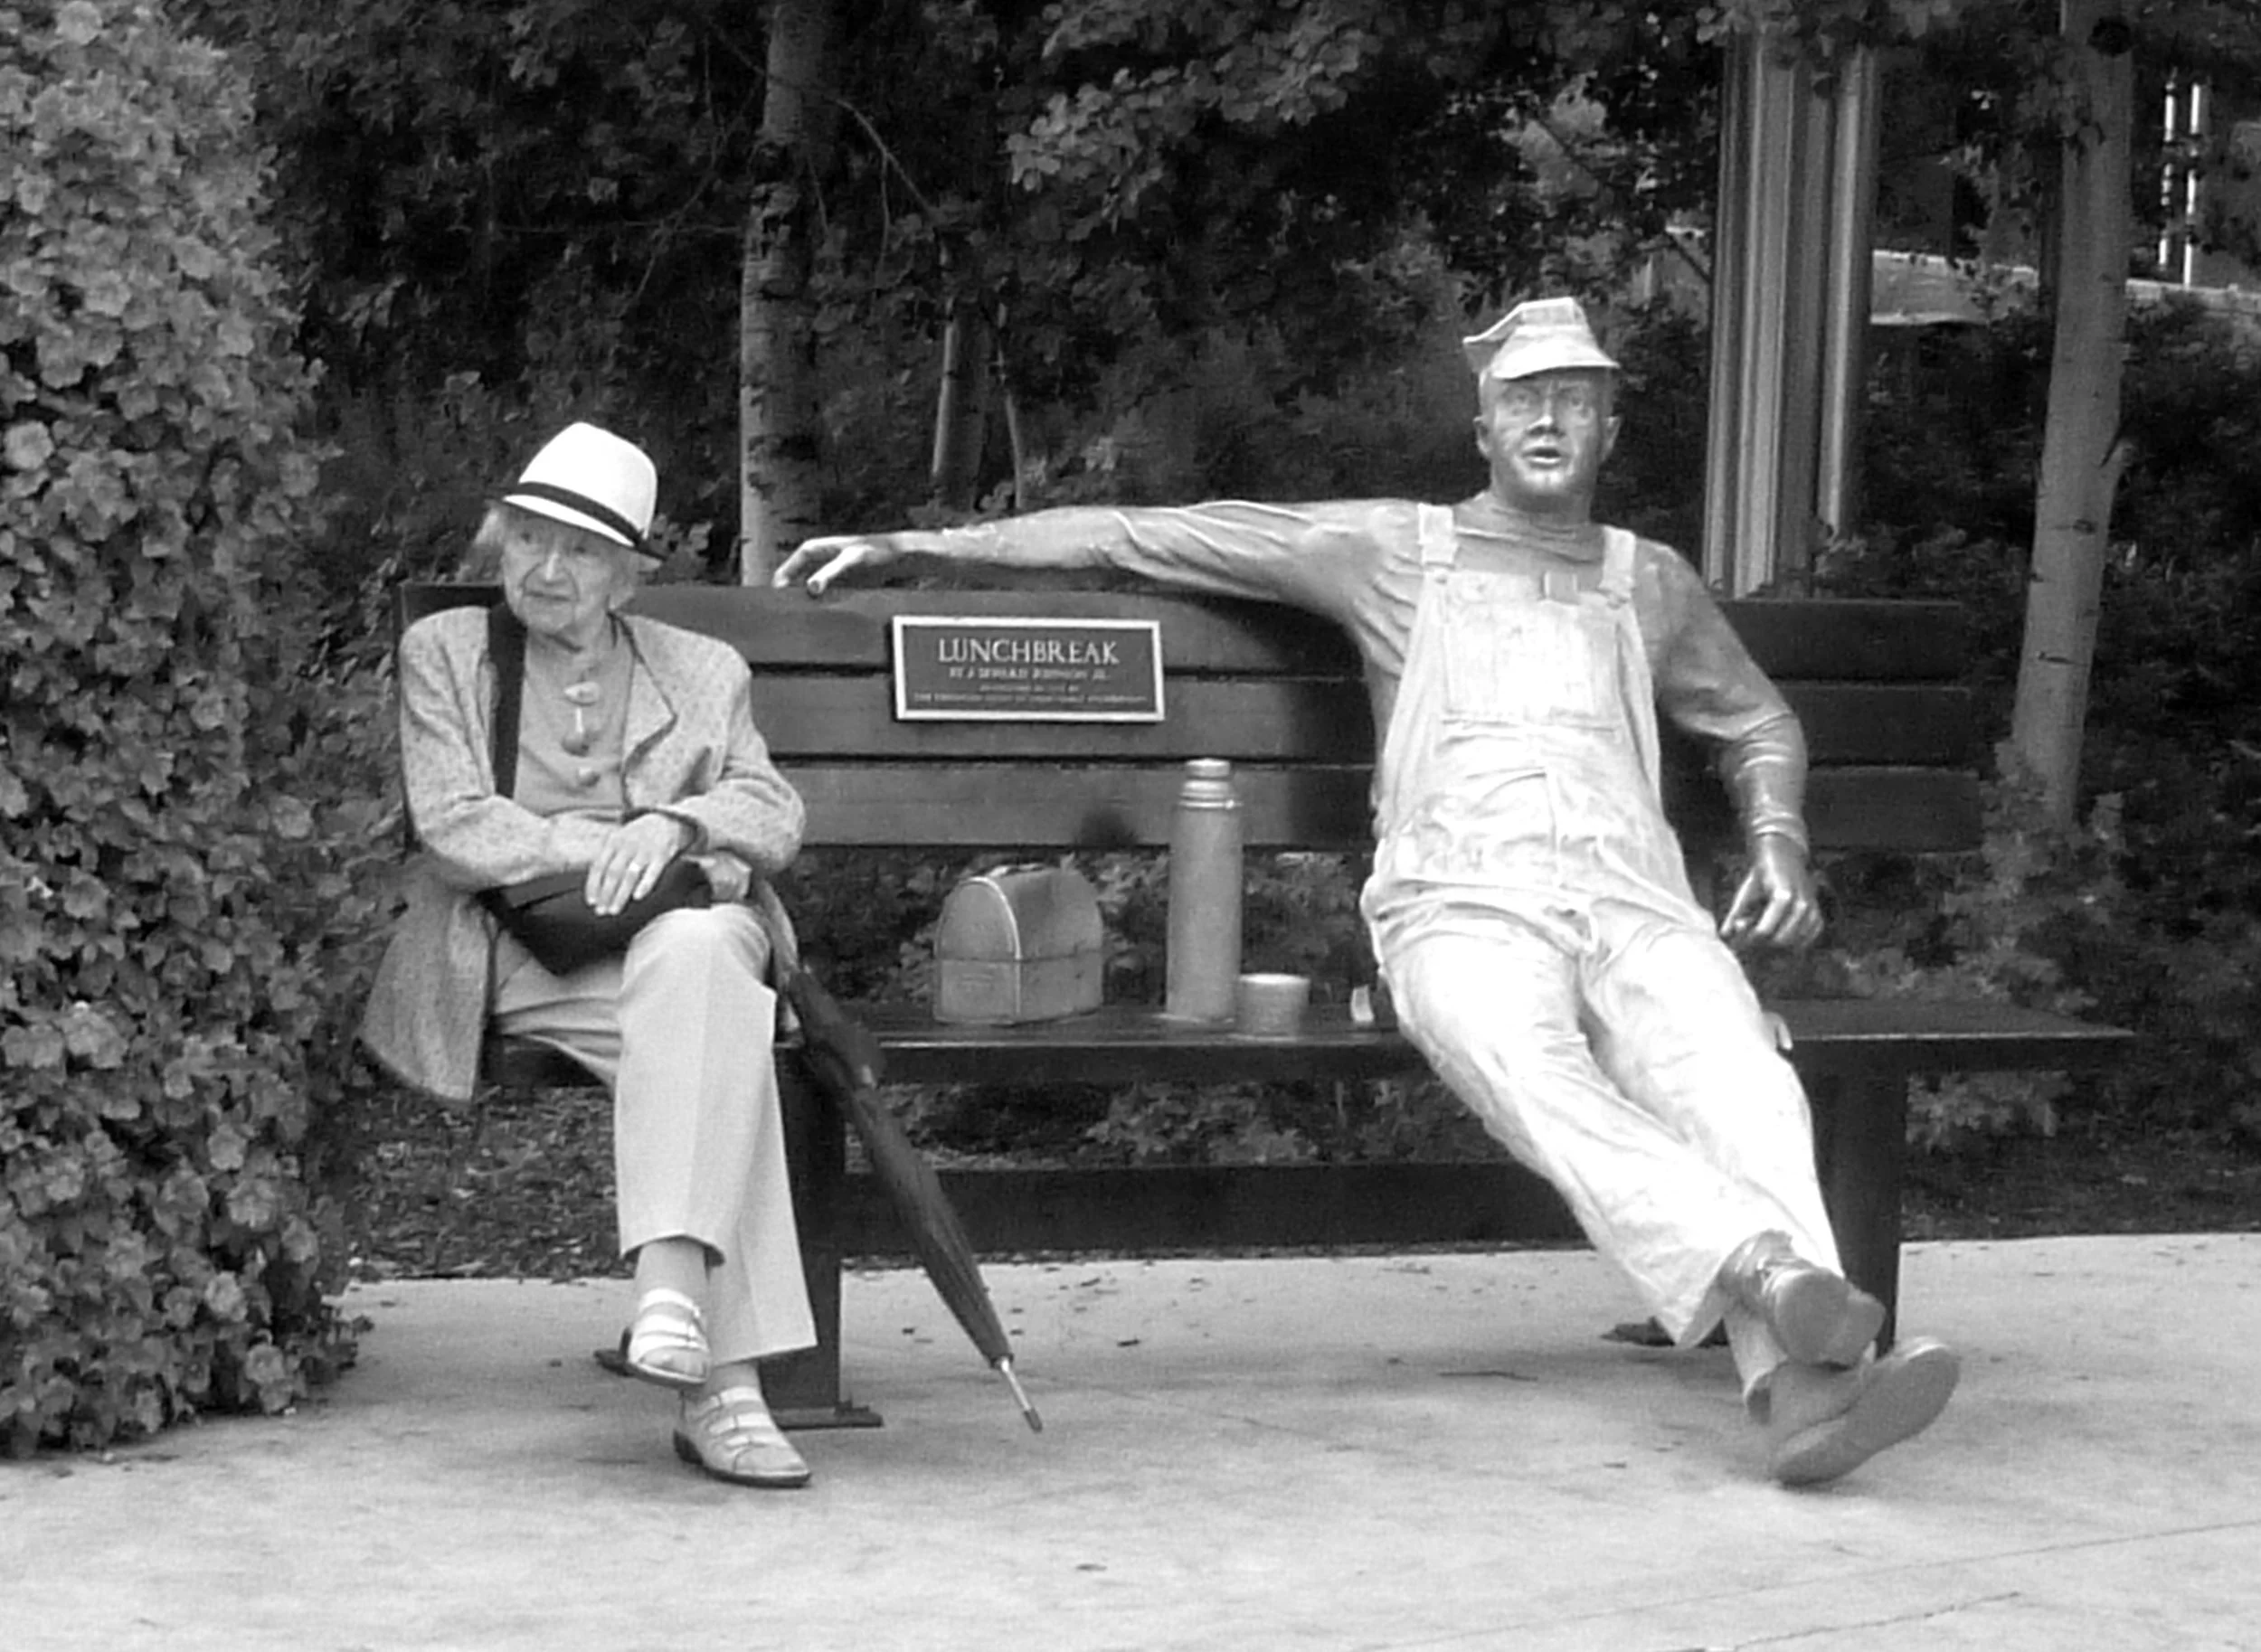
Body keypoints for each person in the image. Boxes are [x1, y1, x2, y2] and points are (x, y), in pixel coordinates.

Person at [773, 298, 1962, 1486]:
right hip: (1461, 908)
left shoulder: (1646, 581)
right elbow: (1151, 536)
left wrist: (1781, 836)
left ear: (1610, 425)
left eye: (1578, 400)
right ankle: (1764, 1273)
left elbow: (1756, 718)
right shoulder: (1393, 550)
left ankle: (1806, 1396)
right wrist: (926, 546)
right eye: (1525, 399)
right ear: (1484, 426)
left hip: (1637, 902)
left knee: (1743, 1079)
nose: (1551, 419)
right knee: (1525, 1065)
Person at [363, 422, 817, 1489]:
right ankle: (726, 1393)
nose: (544, 568)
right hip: (525, 953)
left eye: (576, 550)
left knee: (703, 955)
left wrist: (681, 830)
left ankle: (672, 1305)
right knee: (722, 1050)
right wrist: (610, 844)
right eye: (525, 539)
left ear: (626, 575)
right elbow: (456, 823)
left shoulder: (703, 669)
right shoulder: (448, 655)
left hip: (678, 938)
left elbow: (772, 809)